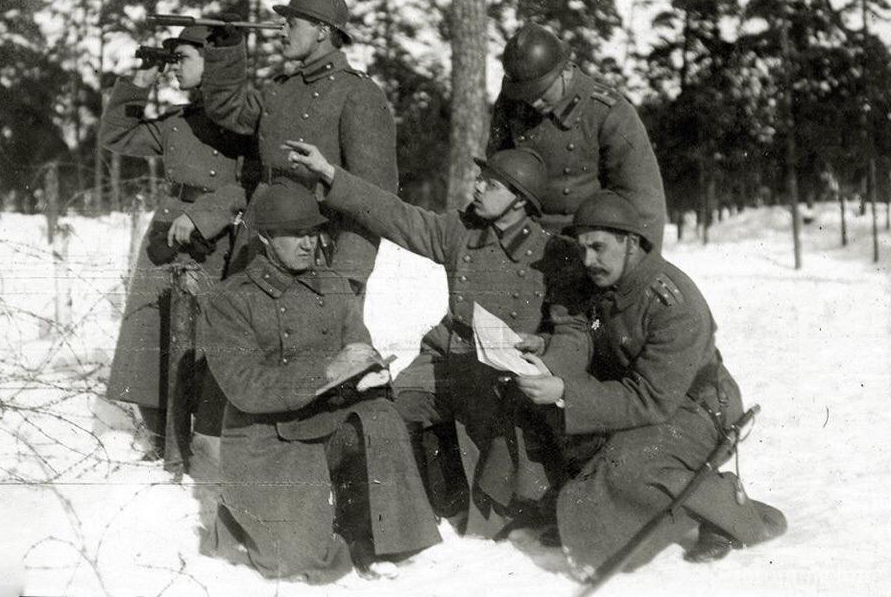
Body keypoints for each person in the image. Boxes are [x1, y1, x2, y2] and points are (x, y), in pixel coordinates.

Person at [284, 140, 590, 537]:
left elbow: (574, 331)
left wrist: (544, 347)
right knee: (388, 413)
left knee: (505, 493)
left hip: (505, 379)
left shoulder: (554, 253)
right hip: (446, 359)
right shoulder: (460, 233)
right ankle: (396, 514)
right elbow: (396, 216)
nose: (477, 188)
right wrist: (329, 173)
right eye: (480, 179)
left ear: (520, 202)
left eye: (491, 185)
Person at [516, 190, 786, 578]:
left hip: (698, 408)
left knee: (625, 468)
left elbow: (650, 399)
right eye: (582, 248)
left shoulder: (675, 304)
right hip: (646, 399)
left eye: (598, 247)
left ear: (630, 242)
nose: (588, 260)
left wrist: (566, 392)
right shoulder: (601, 278)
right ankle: (596, 514)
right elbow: (580, 330)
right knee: (601, 457)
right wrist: (548, 359)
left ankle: (729, 506)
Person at [200, 180, 440, 583]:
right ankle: (246, 520)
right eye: (295, 234)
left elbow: (357, 347)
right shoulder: (232, 299)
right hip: (268, 437)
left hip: (331, 422)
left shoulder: (333, 284)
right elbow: (245, 387)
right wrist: (327, 373)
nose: (308, 244)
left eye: (312, 233)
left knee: (381, 415)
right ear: (264, 237)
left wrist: (370, 373)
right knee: (302, 564)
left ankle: (376, 533)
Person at [103, 25, 251, 459]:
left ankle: (203, 447)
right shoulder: (176, 123)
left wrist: (205, 217)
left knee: (209, 341)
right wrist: (139, 84)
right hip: (167, 229)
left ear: (214, 63)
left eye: (182, 59)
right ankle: (161, 441)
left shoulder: (243, 124)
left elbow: (252, 182)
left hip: (216, 237)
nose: (173, 70)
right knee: (152, 334)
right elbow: (116, 136)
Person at [200, 0, 397, 290]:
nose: (282, 31)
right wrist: (227, 49)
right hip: (259, 241)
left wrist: (348, 276)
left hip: (316, 252)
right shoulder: (280, 88)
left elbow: (374, 199)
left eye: (291, 24)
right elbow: (228, 111)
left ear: (322, 31)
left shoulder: (358, 93)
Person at [487, 22, 667, 245]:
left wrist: (638, 268)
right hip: (521, 241)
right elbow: (494, 177)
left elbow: (642, 199)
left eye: (540, 93)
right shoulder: (511, 106)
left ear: (564, 73)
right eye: (525, 95)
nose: (532, 102)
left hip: (586, 246)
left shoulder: (608, 112)